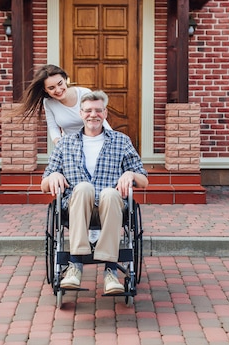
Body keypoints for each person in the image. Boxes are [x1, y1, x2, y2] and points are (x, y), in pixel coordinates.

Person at [41, 90, 148, 295]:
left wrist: (130, 174)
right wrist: (52, 177)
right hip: (76, 207)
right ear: (81, 114)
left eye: (98, 110)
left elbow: (144, 180)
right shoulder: (65, 143)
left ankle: (111, 272)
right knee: (83, 187)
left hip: (111, 207)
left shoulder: (121, 141)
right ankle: (75, 265)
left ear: (105, 113)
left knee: (109, 193)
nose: (93, 115)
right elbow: (44, 184)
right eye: (88, 110)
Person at [14, 64, 111, 145]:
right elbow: (53, 127)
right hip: (70, 145)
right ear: (45, 90)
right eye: (51, 88)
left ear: (65, 79)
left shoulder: (84, 93)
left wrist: (114, 139)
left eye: (60, 83)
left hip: (95, 141)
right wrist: (58, 143)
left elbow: (100, 118)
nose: (58, 90)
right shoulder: (49, 103)